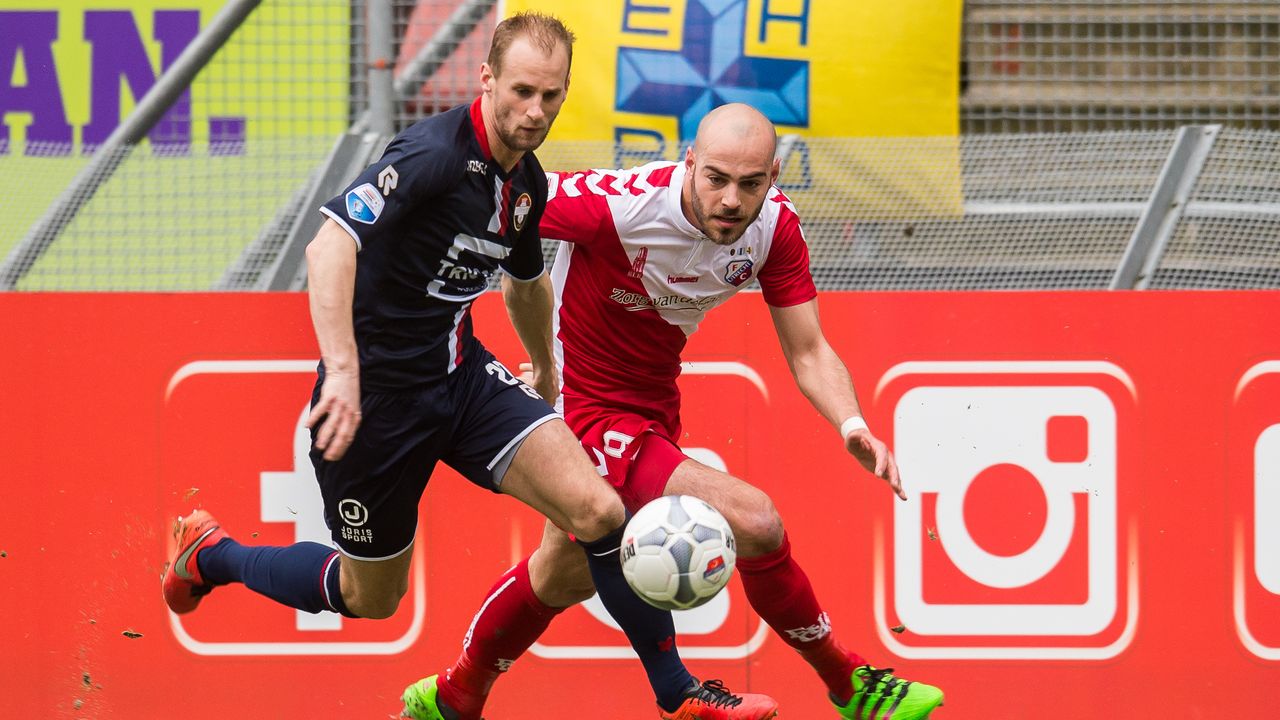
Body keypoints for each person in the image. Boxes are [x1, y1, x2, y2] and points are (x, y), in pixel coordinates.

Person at [163, 13, 770, 719]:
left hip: (462, 379)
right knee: (372, 600)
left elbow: (524, 280)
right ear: (485, 79)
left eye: (551, 95)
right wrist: (345, 371)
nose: (534, 111)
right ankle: (212, 556)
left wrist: (544, 367)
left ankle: (680, 695)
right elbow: (329, 246)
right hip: (377, 407)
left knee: (600, 510)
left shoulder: (527, 184)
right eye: (521, 91)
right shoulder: (431, 155)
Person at [401, 103, 946, 720]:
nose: (732, 200)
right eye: (715, 178)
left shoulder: (775, 230)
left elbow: (810, 349)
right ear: (689, 163)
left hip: (654, 403)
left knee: (564, 572)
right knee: (757, 520)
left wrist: (853, 425)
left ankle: (452, 695)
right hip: (583, 411)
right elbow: (496, 205)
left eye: (751, 184)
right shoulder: (616, 205)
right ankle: (850, 684)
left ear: (773, 176)